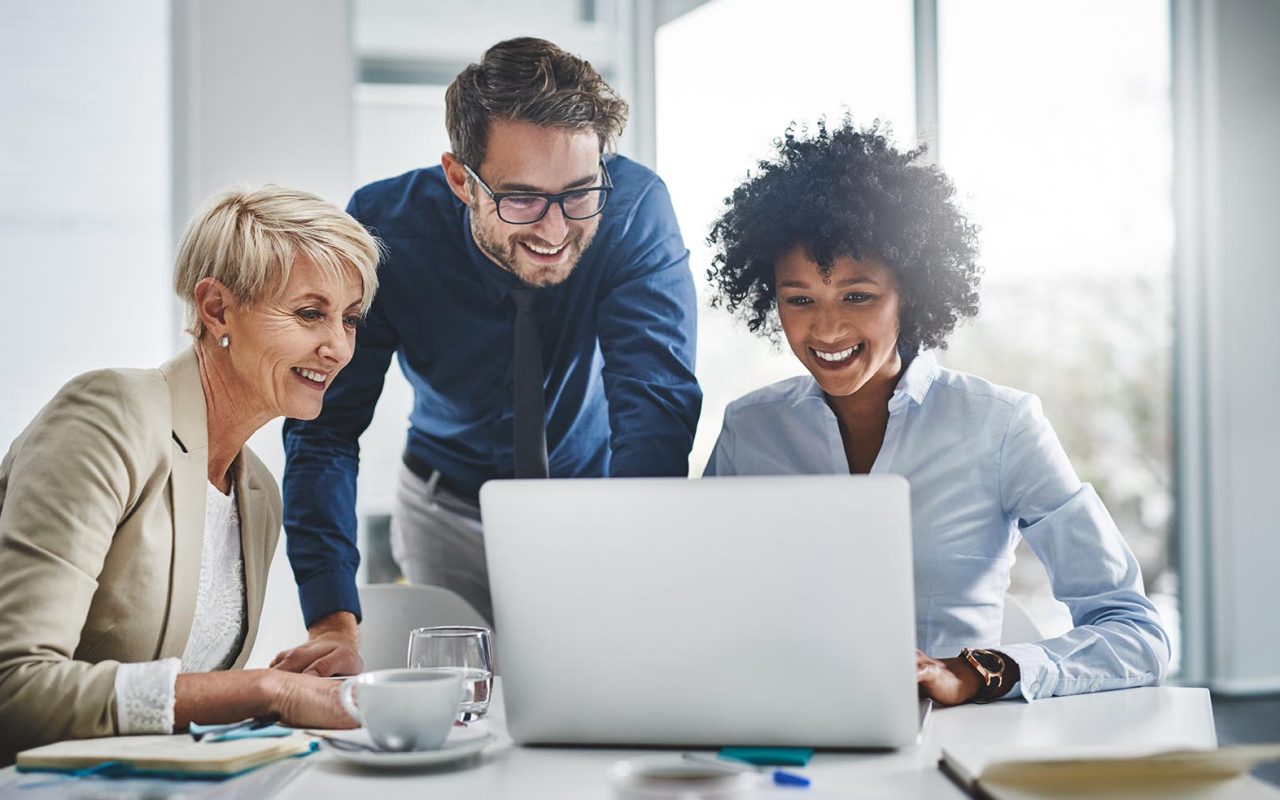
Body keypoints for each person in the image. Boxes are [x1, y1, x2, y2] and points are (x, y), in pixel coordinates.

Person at [702, 119, 1170, 705]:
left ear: (912, 293)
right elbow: (702, 607)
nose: (825, 328)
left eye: (858, 295)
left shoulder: (1002, 426)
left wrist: (975, 672)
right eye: (799, 299)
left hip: (948, 747)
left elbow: (1137, 632)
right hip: (782, 728)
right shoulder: (750, 430)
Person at [277, 36, 701, 660]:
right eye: (522, 198)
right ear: (460, 179)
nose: (554, 230)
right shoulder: (385, 229)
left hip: (596, 504)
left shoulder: (634, 208)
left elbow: (654, 403)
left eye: (579, 193)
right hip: (445, 509)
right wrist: (332, 620)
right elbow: (324, 429)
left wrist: (633, 566)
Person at [0, 185, 381, 762]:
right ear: (216, 308)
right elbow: (14, 687)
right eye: (310, 314)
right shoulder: (109, 415)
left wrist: (299, 681)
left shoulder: (257, 494)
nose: (337, 347)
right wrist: (262, 689)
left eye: (349, 319)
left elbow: (185, 705)